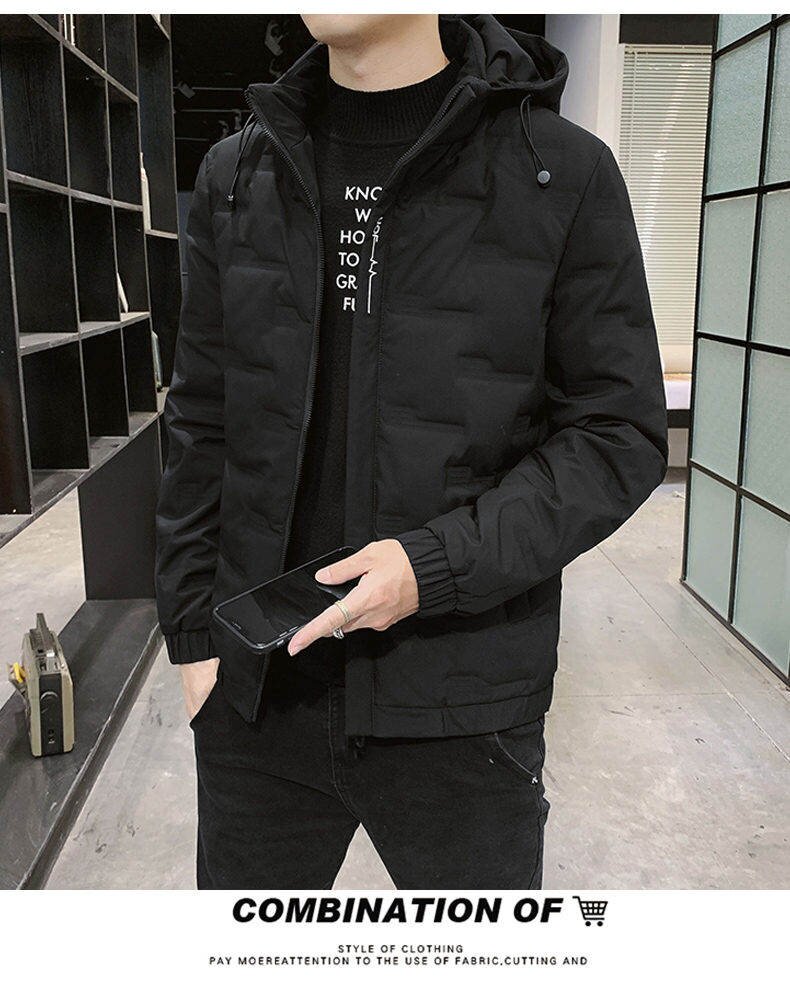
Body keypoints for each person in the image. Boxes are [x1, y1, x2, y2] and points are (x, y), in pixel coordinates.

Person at [155, 13, 667, 889]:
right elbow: (202, 417)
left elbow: (617, 432)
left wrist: (432, 566)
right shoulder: (236, 174)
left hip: (461, 705)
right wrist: (194, 637)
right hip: (258, 697)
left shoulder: (561, 172)